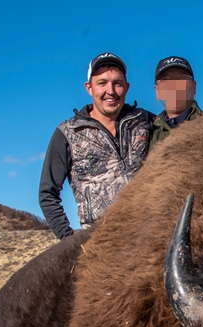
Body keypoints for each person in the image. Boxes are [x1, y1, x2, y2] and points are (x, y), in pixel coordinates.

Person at [39, 52, 154, 239]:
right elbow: (47, 193)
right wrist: (69, 241)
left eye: (117, 83)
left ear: (127, 87)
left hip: (148, 235)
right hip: (99, 244)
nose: (111, 91)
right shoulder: (67, 133)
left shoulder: (146, 121)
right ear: (89, 88)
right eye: (102, 83)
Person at [150, 56, 203, 149]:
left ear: (193, 87)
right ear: (157, 91)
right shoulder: (148, 135)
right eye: (165, 80)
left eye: (182, 78)